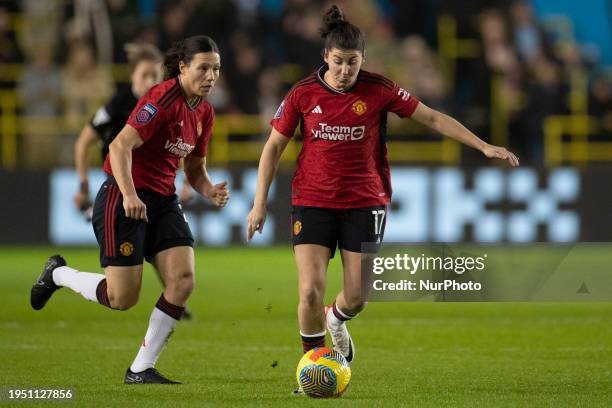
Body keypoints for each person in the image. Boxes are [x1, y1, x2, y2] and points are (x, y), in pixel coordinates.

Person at [246, 4, 519, 370]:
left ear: (363, 60)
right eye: (339, 61)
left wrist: (483, 145)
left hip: (364, 201)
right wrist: (258, 203)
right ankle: (313, 368)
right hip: (312, 200)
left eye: (353, 62)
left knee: (357, 297)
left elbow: (432, 117)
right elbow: (273, 148)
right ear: (326, 56)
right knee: (310, 290)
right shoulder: (303, 94)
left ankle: (337, 318)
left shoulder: (380, 90)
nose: (345, 70)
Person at [31, 35, 229, 384]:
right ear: (182, 68)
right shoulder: (161, 99)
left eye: (215, 68)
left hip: (164, 199)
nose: (211, 76)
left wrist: (209, 189)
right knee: (122, 297)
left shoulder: (205, 112)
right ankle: (58, 274)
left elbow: (195, 169)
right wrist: (130, 194)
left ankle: (140, 368)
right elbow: (121, 146)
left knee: (183, 281)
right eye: (203, 68)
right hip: (123, 196)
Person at [72, 42, 195, 319]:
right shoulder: (119, 104)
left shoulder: (167, 103)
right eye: (144, 76)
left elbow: (181, 144)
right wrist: (82, 184)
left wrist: (188, 182)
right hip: (120, 188)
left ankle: (174, 297)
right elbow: (84, 143)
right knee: (123, 294)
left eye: (156, 76)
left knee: (173, 258)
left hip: (157, 192)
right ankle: (61, 274)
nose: (151, 81)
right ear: (132, 77)